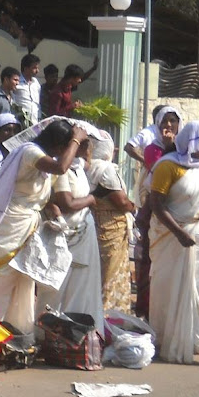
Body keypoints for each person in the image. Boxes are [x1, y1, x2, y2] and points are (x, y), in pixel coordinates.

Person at [0, 120, 88, 335]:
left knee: (19, 281)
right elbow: (61, 168)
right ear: (57, 145)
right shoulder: (30, 152)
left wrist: (52, 210)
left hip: (24, 227)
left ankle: (10, 333)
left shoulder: (41, 160)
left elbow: (35, 193)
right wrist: (76, 140)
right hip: (7, 227)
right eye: (65, 147)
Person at [148, 121, 199, 366]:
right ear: (193, 141)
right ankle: (164, 339)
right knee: (169, 288)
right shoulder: (167, 166)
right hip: (171, 236)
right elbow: (157, 204)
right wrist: (178, 232)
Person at [35, 130, 105, 333]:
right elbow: (67, 203)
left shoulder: (78, 167)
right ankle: (50, 331)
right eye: (84, 143)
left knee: (83, 283)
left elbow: (89, 164)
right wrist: (92, 199)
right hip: (66, 233)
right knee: (59, 283)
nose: (88, 147)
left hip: (84, 233)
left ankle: (80, 330)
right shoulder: (62, 170)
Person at [135, 106, 181, 318]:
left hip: (177, 209)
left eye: (173, 121)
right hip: (156, 208)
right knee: (150, 259)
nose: (169, 125)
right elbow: (162, 171)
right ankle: (147, 308)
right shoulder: (153, 148)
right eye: (165, 121)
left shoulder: (184, 148)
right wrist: (169, 146)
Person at [85, 130, 135, 314]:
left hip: (95, 224)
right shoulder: (105, 169)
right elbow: (121, 201)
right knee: (110, 275)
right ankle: (106, 315)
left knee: (98, 272)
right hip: (111, 227)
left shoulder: (87, 167)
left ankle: (98, 312)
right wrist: (133, 207)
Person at [12, 53, 41, 126]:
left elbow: (37, 104)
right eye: (34, 68)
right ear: (26, 68)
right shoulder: (16, 82)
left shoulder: (36, 83)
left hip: (35, 123)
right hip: (19, 123)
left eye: (37, 68)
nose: (37, 71)